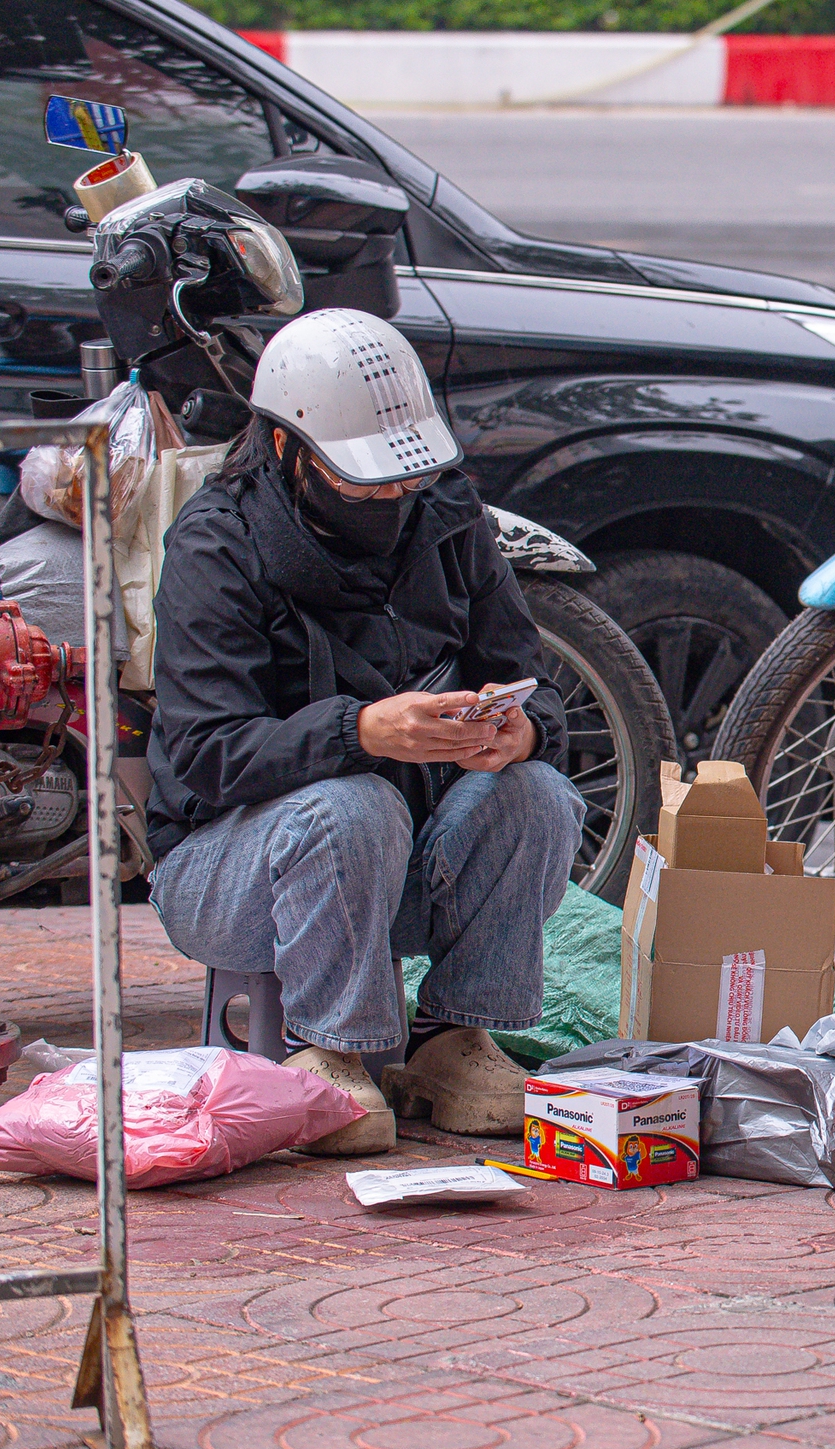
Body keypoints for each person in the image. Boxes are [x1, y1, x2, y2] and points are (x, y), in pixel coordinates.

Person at [145, 308, 583, 1157]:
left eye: (401, 480)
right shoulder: (216, 546)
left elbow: (537, 687)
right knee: (352, 804)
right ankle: (331, 1049)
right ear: (285, 450)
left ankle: (455, 1040)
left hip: (407, 864)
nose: (391, 499)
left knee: (535, 792)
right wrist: (361, 731)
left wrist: (517, 732)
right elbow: (207, 753)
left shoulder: (447, 514)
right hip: (227, 869)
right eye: (363, 481)